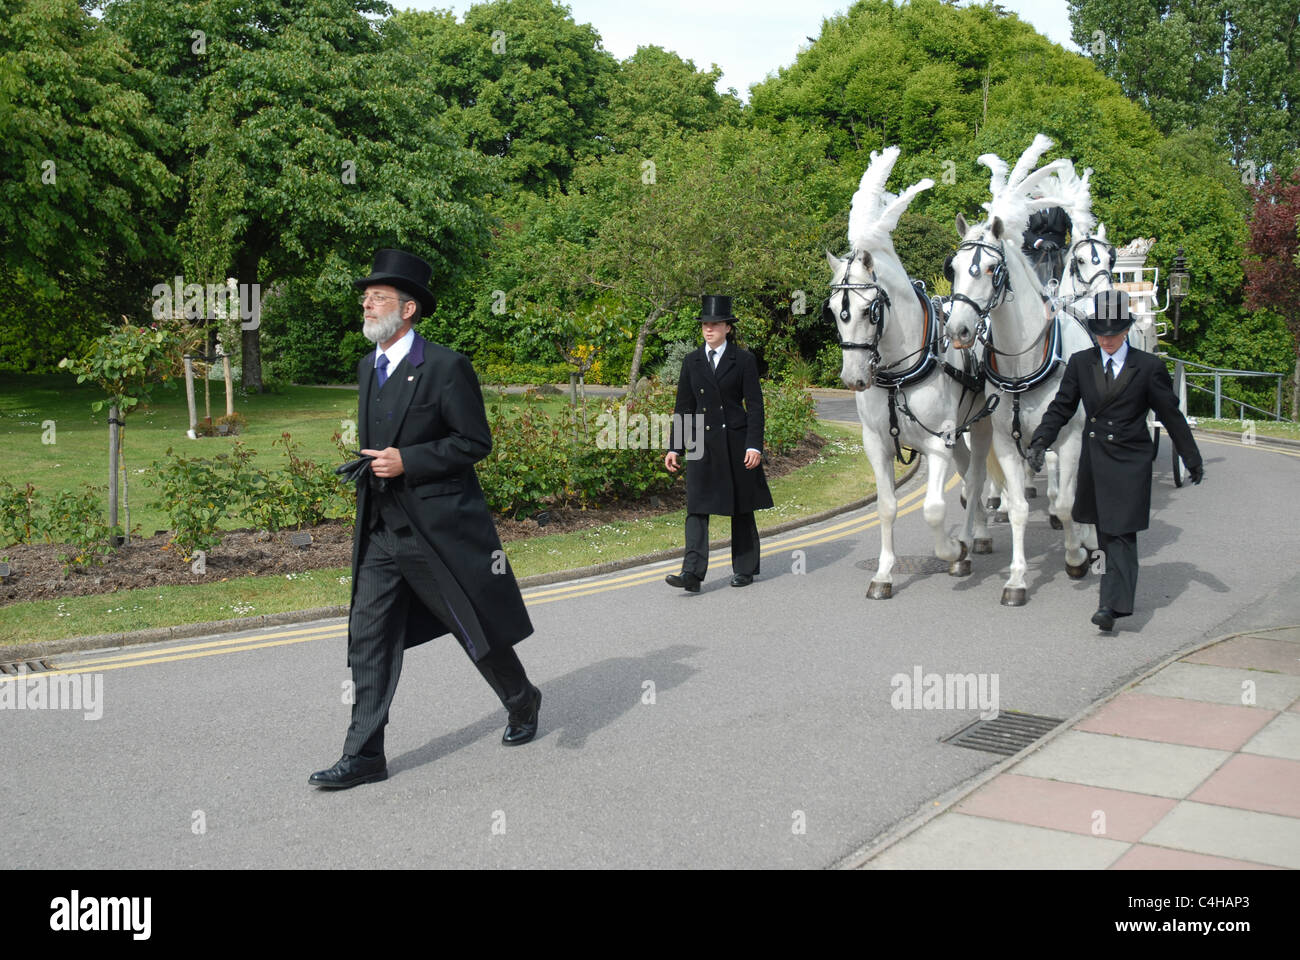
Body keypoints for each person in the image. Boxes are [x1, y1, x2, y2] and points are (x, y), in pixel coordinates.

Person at [310, 248, 539, 789]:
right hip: (380, 528)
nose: (366, 303)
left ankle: (522, 698)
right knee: (369, 638)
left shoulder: (444, 366)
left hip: (434, 533)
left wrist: (409, 460)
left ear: (408, 308)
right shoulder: (368, 366)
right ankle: (365, 754)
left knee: (471, 628)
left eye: (378, 297)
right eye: (365, 296)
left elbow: (473, 442)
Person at [1027, 289, 1204, 632]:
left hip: (1130, 461)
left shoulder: (1148, 366)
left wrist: (1190, 456)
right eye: (1100, 333)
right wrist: (1040, 442)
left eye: (1113, 333)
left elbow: (1171, 414)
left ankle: (1111, 605)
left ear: (1126, 330)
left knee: (1120, 533)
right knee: (1106, 534)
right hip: (1095, 461)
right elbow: (1062, 407)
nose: (1106, 340)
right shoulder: (1081, 363)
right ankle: (1113, 600)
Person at [663, 294, 773, 591]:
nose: (708, 329)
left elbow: (755, 405)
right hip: (701, 443)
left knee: (740, 506)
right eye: (704, 324)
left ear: (727, 327)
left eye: (714, 324)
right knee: (696, 506)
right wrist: (675, 446)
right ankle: (692, 574)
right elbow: (684, 407)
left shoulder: (744, 360)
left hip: (736, 442)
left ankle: (745, 568)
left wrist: (754, 445)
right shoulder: (692, 361)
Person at [1022, 205, 1070, 287]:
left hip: (1059, 250)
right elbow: (1022, 230)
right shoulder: (1025, 206)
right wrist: (1039, 243)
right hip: (1034, 251)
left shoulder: (1060, 205)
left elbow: (1073, 225)